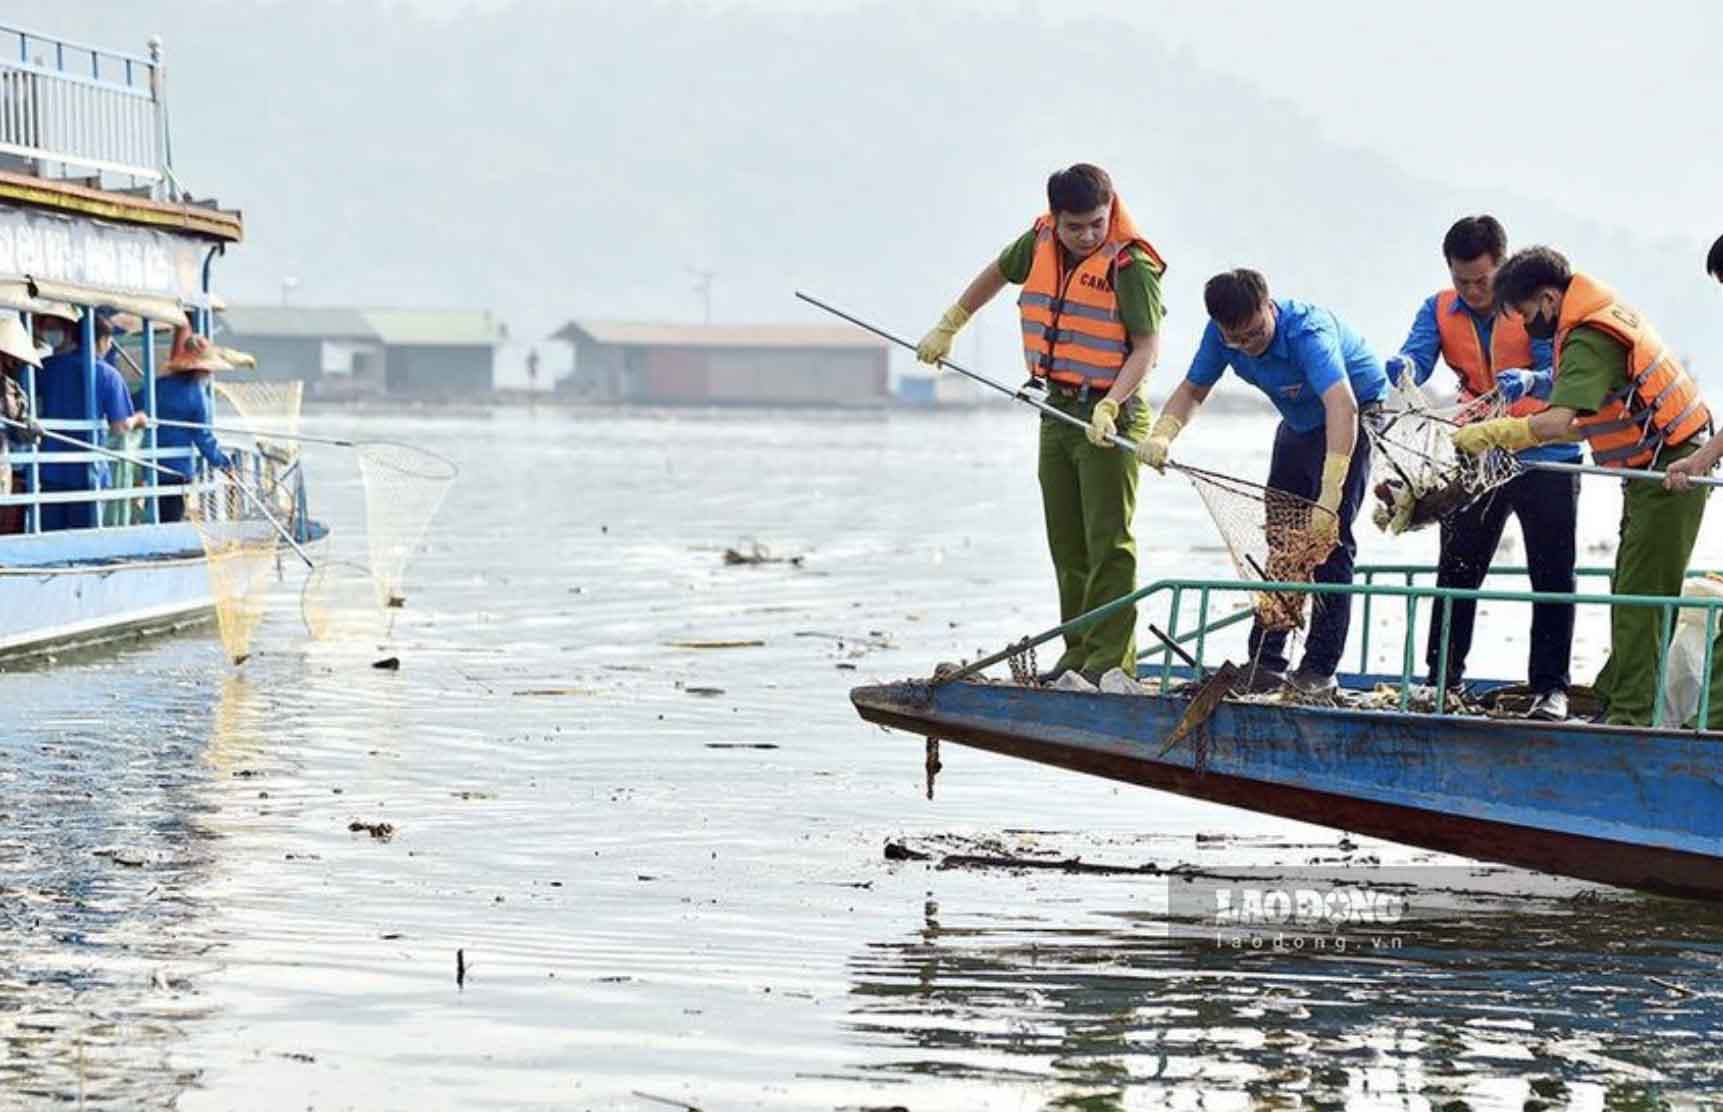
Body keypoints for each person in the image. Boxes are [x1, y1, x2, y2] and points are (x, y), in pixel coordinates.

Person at [914, 163, 1167, 683]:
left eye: (1096, 223)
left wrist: (1112, 405)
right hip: (1057, 410)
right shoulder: (1040, 241)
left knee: (1108, 540)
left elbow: (1147, 347)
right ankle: (1075, 652)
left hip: (1109, 414)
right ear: (1056, 218)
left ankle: (1110, 660)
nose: (1087, 235)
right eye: (1076, 226)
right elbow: (996, 274)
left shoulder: (1130, 263)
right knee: (1066, 539)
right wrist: (950, 324)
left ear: (1109, 210)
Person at [1455, 247, 1711, 727]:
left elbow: (1556, 424)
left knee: (1641, 597)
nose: (1530, 325)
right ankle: (1615, 694)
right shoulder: (1589, 319)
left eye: (1529, 315)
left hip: (1672, 473)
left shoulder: (1590, 335)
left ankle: (1632, 717)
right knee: (1630, 587)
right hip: (1652, 472)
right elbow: (1588, 421)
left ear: (1549, 299)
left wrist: (1494, 433)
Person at [1146, 269, 1387, 696]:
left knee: (1327, 538)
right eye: (1236, 339)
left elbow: (1341, 404)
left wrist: (1330, 492)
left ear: (1268, 305)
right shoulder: (1221, 335)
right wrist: (1163, 431)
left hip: (1355, 413)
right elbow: (1193, 390)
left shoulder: (1307, 332)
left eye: (1256, 332)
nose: (1249, 345)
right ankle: (1268, 661)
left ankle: (1318, 669)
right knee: (1283, 538)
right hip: (1299, 420)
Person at [1384, 216, 1577, 720]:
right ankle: (1440, 681)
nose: (1471, 291)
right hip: (1477, 454)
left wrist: (1532, 379)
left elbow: (1564, 375)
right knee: (1457, 569)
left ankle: (1551, 688)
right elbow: (1418, 357)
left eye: (1482, 281)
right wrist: (1404, 366)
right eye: (1460, 280)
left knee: (1552, 574)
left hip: (1545, 455)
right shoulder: (1438, 309)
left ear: (1503, 267)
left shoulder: (1534, 304)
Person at [34, 310, 145, 531]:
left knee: (50, 535)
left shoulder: (47, 367)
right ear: (102, 340)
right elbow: (119, 427)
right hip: (88, 471)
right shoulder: (108, 375)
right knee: (83, 536)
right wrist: (139, 419)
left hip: (50, 466)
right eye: (109, 340)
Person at [151, 326, 233, 523]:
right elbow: (203, 437)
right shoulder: (198, 397)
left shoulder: (159, 386)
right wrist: (224, 463)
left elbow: (136, 403)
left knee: (156, 511)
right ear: (204, 369)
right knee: (171, 516)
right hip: (176, 468)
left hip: (151, 464)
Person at [0, 313, 42, 534]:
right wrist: (31, 429)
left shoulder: (11, 387)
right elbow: (19, 428)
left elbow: (19, 428)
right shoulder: (8, 387)